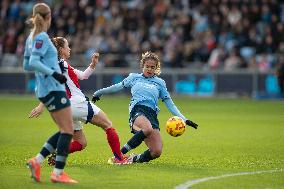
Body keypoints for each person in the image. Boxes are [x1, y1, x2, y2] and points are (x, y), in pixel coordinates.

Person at [29, 37, 130, 165]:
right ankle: (119, 159)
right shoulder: (61, 65)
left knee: (81, 143)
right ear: (60, 49)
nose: (69, 48)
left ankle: (58, 153)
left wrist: (92, 65)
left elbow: (83, 76)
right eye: (67, 46)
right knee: (108, 125)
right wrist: (40, 106)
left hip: (66, 109)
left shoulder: (60, 66)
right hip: (78, 104)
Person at [92, 51, 198, 164]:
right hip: (138, 110)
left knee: (156, 151)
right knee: (147, 129)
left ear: (156, 68)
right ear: (143, 65)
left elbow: (170, 103)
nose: (149, 69)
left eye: (152, 67)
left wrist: (184, 119)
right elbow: (117, 86)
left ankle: (133, 159)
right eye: (147, 66)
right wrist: (99, 92)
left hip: (152, 114)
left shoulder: (160, 83)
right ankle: (119, 155)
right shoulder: (133, 77)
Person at [23, 3, 77, 183]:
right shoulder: (43, 38)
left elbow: (26, 65)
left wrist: (45, 69)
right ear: (48, 17)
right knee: (68, 130)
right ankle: (58, 173)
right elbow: (35, 61)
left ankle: (36, 161)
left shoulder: (31, 38)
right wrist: (54, 73)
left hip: (43, 90)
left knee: (64, 129)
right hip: (53, 88)